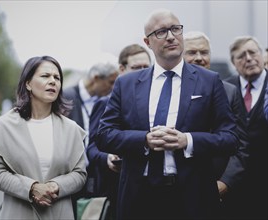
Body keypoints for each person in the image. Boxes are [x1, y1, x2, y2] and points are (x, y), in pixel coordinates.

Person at [96, 9, 239, 220]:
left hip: (192, 197)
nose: (171, 36)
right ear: (147, 42)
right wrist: (144, 139)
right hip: (139, 197)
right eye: (161, 32)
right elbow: (104, 135)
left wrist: (187, 140)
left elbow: (231, 139)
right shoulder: (127, 84)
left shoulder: (209, 81)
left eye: (175, 29)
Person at [0, 55, 87, 219]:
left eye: (57, 78)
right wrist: (31, 188)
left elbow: (80, 174)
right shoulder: (5, 125)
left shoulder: (71, 129)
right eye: (45, 76)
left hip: (59, 213)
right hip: (18, 213)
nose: (53, 81)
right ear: (28, 83)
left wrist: (56, 186)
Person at [183, 31, 250, 219]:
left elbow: (241, 144)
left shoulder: (230, 92)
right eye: (192, 52)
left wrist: (225, 182)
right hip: (180, 189)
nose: (199, 58)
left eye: (204, 52)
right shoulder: (169, 91)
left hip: (221, 190)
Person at [87, 44, 151, 219]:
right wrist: (107, 158)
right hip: (115, 189)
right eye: (137, 67)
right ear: (122, 69)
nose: (143, 72)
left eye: (147, 67)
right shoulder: (105, 103)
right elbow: (91, 147)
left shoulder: (158, 103)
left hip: (151, 189)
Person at [63, 61, 119, 217]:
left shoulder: (108, 101)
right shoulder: (65, 96)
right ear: (96, 78)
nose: (113, 87)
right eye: (111, 82)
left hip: (96, 175)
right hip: (70, 177)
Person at [226, 36, 268, 219]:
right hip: (234, 183)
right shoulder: (225, 88)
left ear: (262, 55)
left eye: (253, 52)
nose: (249, 58)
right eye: (241, 56)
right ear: (234, 64)